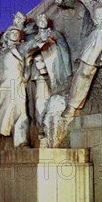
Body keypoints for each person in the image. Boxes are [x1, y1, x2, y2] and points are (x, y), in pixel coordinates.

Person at [0, 27, 45, 151]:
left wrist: (41, 37)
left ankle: (22, 142)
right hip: (1, 86)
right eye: (12, 32)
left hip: (16, 84)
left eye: (17, 33)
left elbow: (32, 45)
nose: (15, 34)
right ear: (6, 36)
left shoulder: (20, 48)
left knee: (20, 113)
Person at [26, 14, 72, 146]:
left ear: (48, 22)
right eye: (39, 19)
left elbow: (64, 51)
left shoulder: (55, 34)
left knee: (55, 101)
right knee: (40, 102)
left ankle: (55, 132)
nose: (41, 21)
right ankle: (42, 132)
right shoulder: (34, 39)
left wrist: (68, 70)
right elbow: (27, 53)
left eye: (43, 19)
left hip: (56, 73)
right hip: (39, 75)